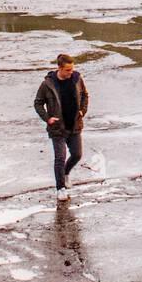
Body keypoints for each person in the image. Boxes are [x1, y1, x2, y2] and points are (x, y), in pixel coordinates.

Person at [34, 53, 90, 202]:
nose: (71, 72)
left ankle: (65, 174)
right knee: (60, 157)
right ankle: (60, 189)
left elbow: (85, 95)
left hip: (75, 125)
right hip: (57, 127)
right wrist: (47, 118)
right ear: (59, 68)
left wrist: (82, 111)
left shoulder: (77, 78)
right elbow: (38, 103)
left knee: (77, 155)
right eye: (68, 70)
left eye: (72, 69)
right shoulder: (48, 84)